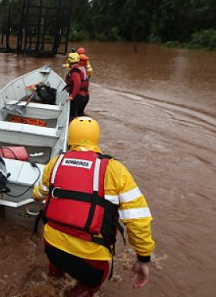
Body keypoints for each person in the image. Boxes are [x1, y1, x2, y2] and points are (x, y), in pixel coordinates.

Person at [33, 117, 154, 297]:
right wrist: (143, 259)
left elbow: (38, 194)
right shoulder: (115, 169)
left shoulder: (56, 162)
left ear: (69, 138)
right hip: (91, 259)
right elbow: (138, 219)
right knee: (89, 286)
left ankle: (53, 279)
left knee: (56, 270)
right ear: (96, 139)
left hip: (52, 247)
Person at [65, 54, 90, 120]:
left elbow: (78, 84)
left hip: (78, 97)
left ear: (69, 61)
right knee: (80, 117)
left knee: (71, 118)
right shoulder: (82, 69)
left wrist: (72, 96)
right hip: (86, 97)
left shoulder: (75, 72)